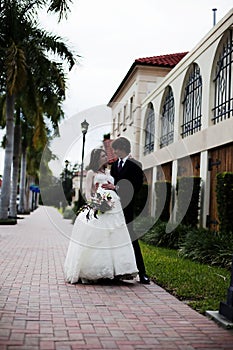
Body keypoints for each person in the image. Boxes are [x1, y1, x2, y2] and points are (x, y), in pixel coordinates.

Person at [64, 148, 138, 284]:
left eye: (105, 155)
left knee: (116, 236)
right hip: (99, 206)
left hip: (114, 207)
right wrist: (98, 203)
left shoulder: (109, 172)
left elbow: (112, 186)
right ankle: (96, 271)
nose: (105, 157)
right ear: (97, 158)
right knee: (99, 238)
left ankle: (118, 271)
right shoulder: (91, 173)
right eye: (103, 155)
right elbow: (87, 194)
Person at [102, 137, 150, 284]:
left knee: (132, 238)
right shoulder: (115, 165)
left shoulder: (136, 164)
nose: (114, 152)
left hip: (127, 208)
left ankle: (142, 273)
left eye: (116, 149)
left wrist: (116, 188)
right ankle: (116, 272)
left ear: (123, 148)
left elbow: (136, 186)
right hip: (114, 209)